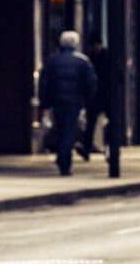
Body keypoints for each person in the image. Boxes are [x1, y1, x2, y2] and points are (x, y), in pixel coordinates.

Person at [38, 31, 97, 176]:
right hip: (74, 101)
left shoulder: (52, 61)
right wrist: (87, 100)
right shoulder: (83, 61)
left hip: (57, 101)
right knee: (69, 130)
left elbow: (44, 83)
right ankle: (65, 161)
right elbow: (91, 84)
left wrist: (45, 102)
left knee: (60, 128)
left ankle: (61, 156)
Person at [83, 35, 110, 158]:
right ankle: (87, 148)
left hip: (105, 94)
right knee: (91, 122)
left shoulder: (105, 56)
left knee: (110, 121)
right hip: (95, 95)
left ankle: (109, 147)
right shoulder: (90, 57)